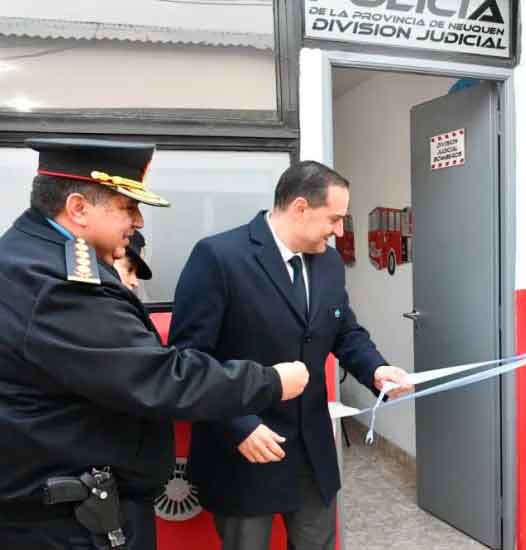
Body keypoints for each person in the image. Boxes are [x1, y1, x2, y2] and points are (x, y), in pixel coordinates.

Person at [0, 137, 310, 550]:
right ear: (78, 208)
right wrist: (271, 381)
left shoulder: (35, 259)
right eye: (128, 207)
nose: (139, 222)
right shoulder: (58, 284)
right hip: (69, 523)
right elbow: (158, 378)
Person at [169, 161, 413, 550]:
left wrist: (377, 370)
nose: (338, 231)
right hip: (244, 449)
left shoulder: (329, 263)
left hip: (311, 451)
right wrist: (239, 426)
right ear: (300, 207)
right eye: (334, 219)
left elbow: (344, 330)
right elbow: (188, 359)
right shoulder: (219, 257)